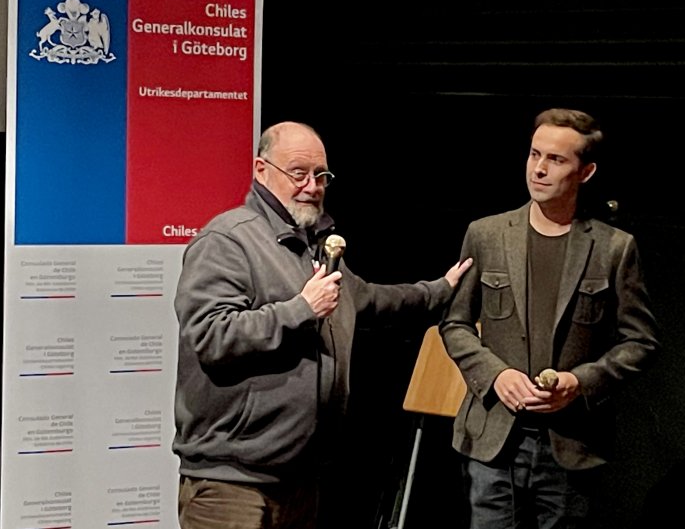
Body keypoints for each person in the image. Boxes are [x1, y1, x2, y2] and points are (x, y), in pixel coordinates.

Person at [172, 120, 472, 529]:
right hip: (232, 484)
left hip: (301, 478)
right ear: (261, 170)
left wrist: (440, 290)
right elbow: (210, 336)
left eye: (321, 175)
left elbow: (369, 300)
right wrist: (301, 309)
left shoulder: (314, 246)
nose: (312, 186)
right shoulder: (228, 240)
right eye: (299, 173)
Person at [440, 108, 660, 528]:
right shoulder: (486, 234)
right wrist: (496, 375)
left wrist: (580, 382)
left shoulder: (614, 248)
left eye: (556, 159)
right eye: (534, 154)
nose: (539, 169)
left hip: (571, 444)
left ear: (585, 172)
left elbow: (641, 341)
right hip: (494, 439)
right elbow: (455, 323)